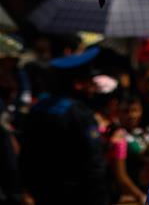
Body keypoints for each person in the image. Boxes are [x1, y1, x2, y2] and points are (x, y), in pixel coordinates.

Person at [20, 46, 111, 205]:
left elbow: (26, 155)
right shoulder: (79, 113)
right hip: (76, 195)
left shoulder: (38, 108)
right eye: (90, 81)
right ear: (78, 84)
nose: (93, 88)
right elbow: (93, 163)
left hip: (44, 193)